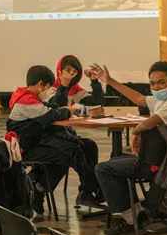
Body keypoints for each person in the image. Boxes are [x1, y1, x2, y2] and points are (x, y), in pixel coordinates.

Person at [90, 61, 167, 235]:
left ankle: (132, 219)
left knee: (103, 169)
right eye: (152, 83)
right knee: (114, 162)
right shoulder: (161, 100)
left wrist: (135, 132)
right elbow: (139, 99)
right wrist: (109, 81)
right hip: (154, 158)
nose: (156, 87)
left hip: (161, 164)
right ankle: (136, 213)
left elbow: (151, 122)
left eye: (161, 82)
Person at [7, 65, 103, 210]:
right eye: (48, 87)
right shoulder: (24, 99)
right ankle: (40, 186)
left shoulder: (31, 97)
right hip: (26, 147)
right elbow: (50, 116)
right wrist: (70, 109)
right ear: (41, 84)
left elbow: (52, 108)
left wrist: (67, 109)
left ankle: (87, 191)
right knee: (71, 151)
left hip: (37, 140)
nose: (48, 90)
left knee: (88, 145)